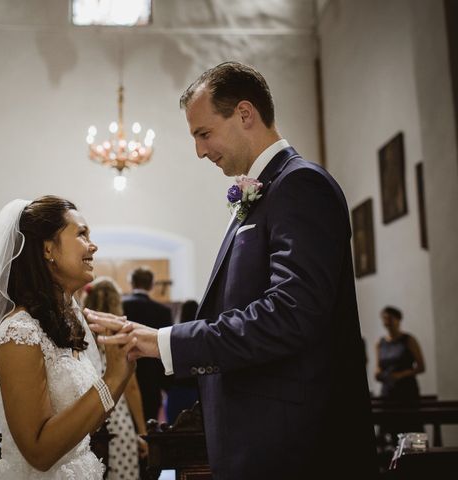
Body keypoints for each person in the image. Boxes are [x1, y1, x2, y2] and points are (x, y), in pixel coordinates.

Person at [86, 62, 377, 479]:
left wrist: (165, 342)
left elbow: (289, 315)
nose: (200, 151)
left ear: (245, 114)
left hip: (296, 449)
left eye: (203, 133)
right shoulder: (263, 194)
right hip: (258, 443)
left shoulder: (300, 186)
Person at [0, 196, 136, 479]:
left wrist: (123, 366)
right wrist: (112, 378)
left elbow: (86, 422)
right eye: (81, 233)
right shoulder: (19, 334)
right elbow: (39, 452)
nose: (93, 245)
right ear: (48, 249)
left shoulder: (65, 324)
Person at [83, 277, 148, 480]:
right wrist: (142, 431)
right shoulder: (118, 337)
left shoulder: (79, 334)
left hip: (87, 419)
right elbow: (131, 388)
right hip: (117, 420)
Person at [122, 267, 172, 421]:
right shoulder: (163, 311)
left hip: (125, 374)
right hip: (153, 377)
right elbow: (167, 346)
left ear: (131, 283)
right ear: (151, 285)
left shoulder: (121, 305)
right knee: (150, 423)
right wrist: (166, 384)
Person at [375, 306, 425, 439]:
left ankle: (416, 459)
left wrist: (400, 375)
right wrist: (378, 374)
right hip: (388, 392)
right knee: (391, 432)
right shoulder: (381, 343)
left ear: (398, 320)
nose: (387, 322)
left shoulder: (408, 340)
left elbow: (421, 367)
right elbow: (378, 367)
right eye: (384, 318)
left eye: (390, 318)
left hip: (406, 391)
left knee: (411, 431)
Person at [165, 300, 199, 423]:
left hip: (177, 391)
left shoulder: (173, 336)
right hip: (197, 392)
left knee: (174, 432)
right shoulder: (200, 338)